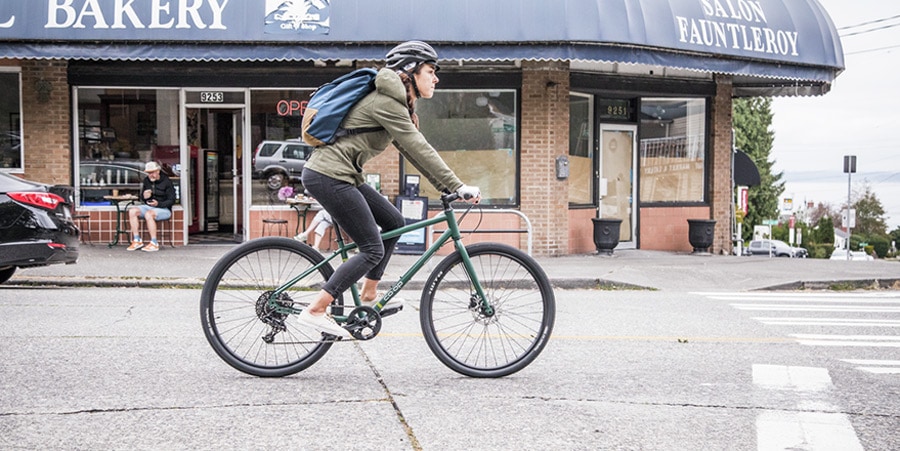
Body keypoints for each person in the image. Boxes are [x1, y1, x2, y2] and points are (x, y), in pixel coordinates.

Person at [298, 40, 481, 338]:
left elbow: (410, 150)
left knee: (394, 223)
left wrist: (444, 188)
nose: (436, 78)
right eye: (431, 71)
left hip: (344, 175)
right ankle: (317, 308)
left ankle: (369, 296)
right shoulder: (386, 101)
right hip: (328, 175)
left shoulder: (396, 102)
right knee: (371, 248)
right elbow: (418, 146)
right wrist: (457, 185)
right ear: (410, 72)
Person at [126, 161, 176, 252]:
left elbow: (172, 200)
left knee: (149, 214)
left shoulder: (167, 182)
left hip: (164, 209)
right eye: (148, 173)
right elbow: (142, 198)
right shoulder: (146, 181)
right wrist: (145, 197)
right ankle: (137, 240)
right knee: (132, 211)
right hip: (149, 206)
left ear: (158, 171)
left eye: (152, 172)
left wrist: (159, 204)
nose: (150, 175)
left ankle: (154, 242)